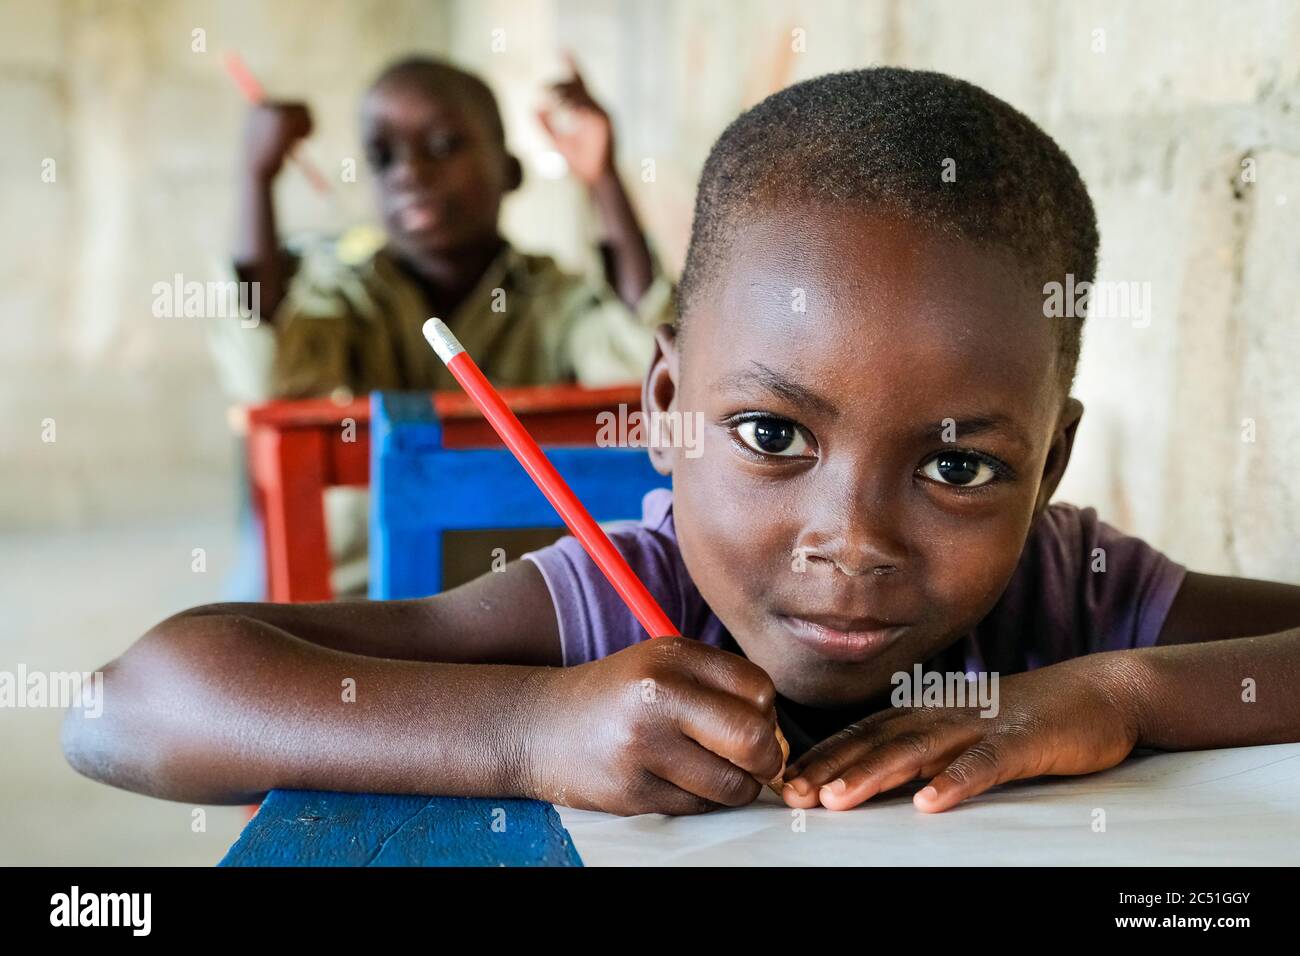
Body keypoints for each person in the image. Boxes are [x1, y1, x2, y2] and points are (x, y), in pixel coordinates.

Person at [68, 68, 1300, 816]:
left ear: (1051, 465)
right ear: (662, 403)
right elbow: (126, 704)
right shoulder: (615, 609)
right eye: (771, 432)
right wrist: (531, 732)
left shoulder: (1070, 595)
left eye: (958, 466)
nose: (851, 541)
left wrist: (1118, 691)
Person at [212, 54, 674, 594]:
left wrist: (603, 180)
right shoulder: (346, 299)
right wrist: (256, 179)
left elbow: (642, 359)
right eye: (383, 156)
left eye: (442, 145)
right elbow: (267, 375)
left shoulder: (547, 299)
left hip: (518, 601)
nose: (409, 171)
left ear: (509, 170)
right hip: (359, 604)